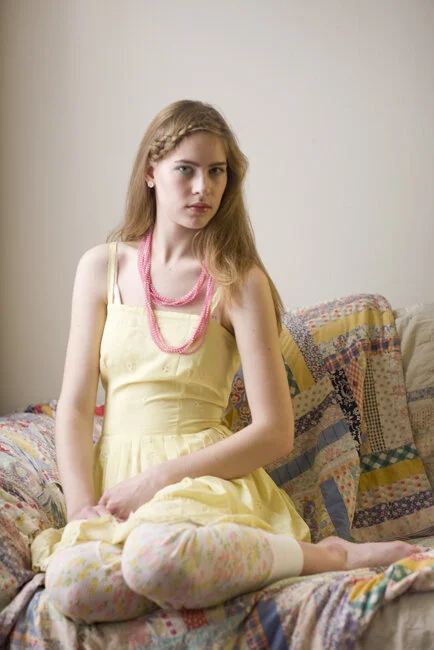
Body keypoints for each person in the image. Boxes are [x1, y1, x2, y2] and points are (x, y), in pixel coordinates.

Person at [31, 99, 413, 623]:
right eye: (185, 170)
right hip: (113, 480)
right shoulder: (101, 267)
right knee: (74, 588)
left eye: (216, 172)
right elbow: (75, 407)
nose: (203, 188)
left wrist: (158, 480)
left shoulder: (240, 280)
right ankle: (189, 573)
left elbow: (275, 433)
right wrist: (80, 510)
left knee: (156, 557)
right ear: (150, 171)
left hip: (201, 482)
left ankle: (330, 556)